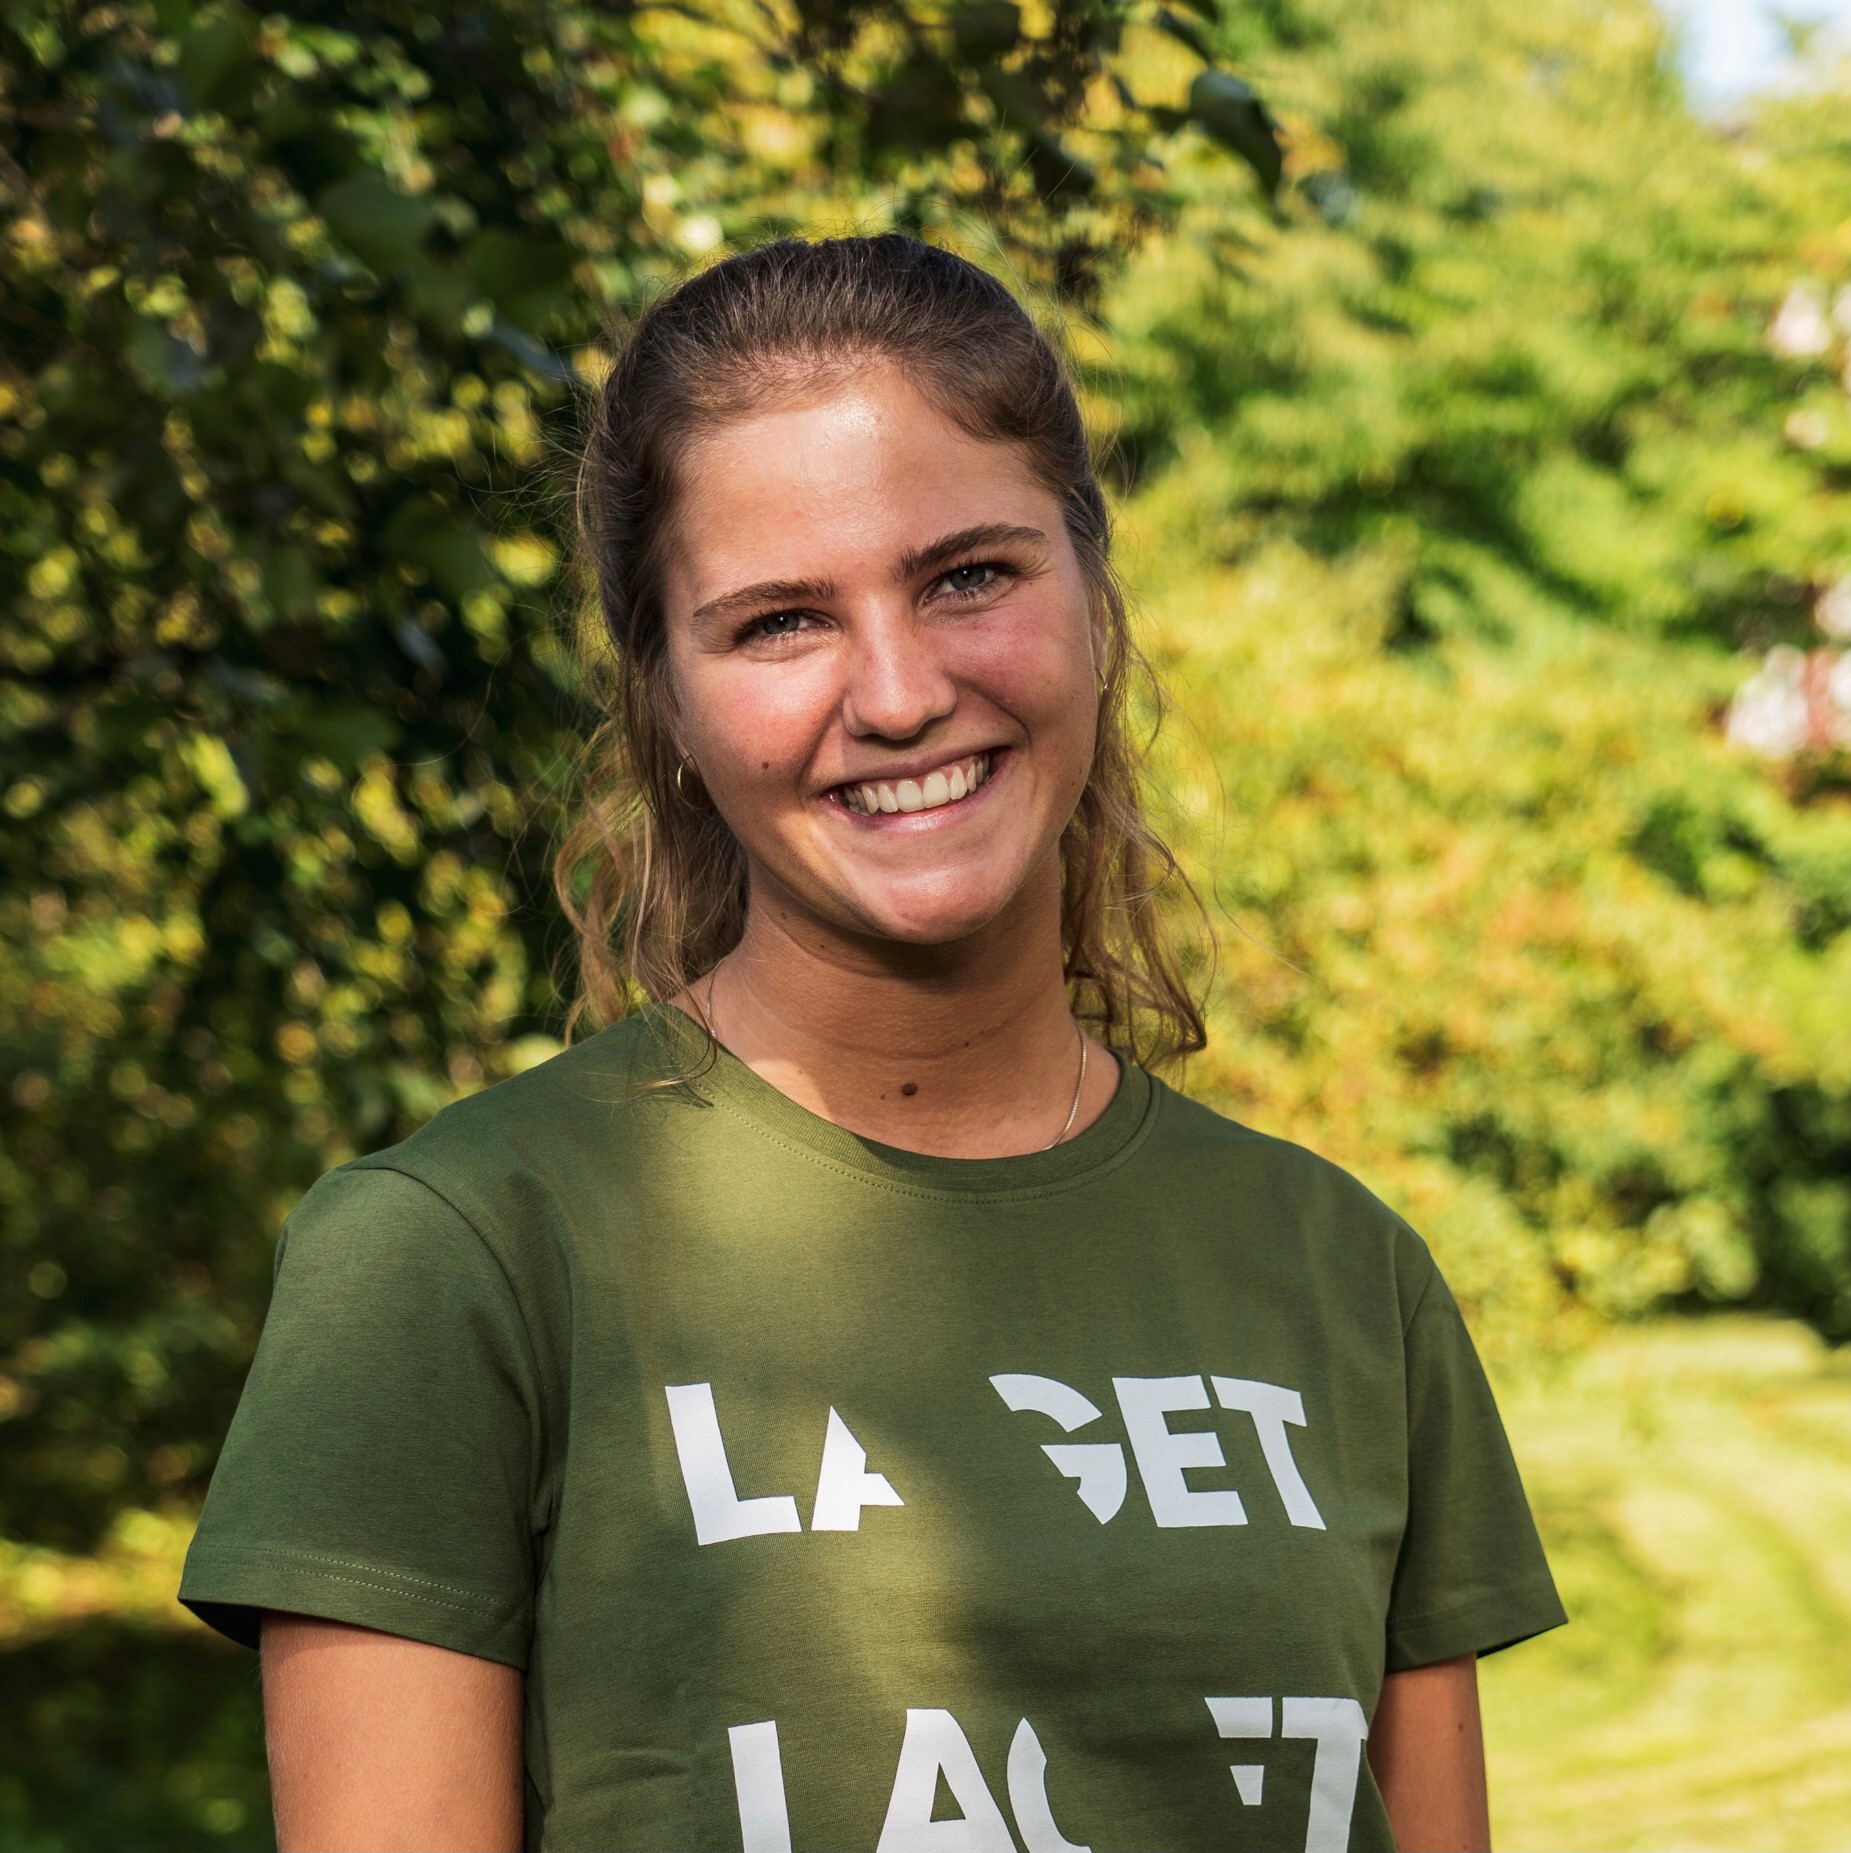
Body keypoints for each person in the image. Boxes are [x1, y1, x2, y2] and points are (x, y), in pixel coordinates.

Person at [179, 234, 1564, 1853]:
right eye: (779, 621)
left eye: (968, 575)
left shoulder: (1341, 1269)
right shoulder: (454, 1255)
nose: (899, 694)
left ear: (1094, 603)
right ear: (668, 703)